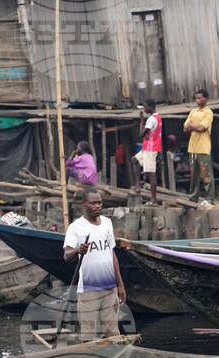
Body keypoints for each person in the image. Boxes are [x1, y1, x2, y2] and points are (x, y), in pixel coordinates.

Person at [63, 189, 126, 342]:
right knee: (88, 335)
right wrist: (78, 249)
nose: (97, 206)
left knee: (112, 333)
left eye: (99, 202)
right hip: (88, 289)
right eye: (93, 203)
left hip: (109, 287)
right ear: (84, 204)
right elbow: (67, 256)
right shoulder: (75, 227)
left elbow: (112, 254)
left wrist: (120, 285)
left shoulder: (107, 223)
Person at [184, 89, 215, 204]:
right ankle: (193, 198)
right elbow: (185, 128)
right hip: (192, 148)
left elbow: (202, 128)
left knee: (207, 175)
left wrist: (191, 124)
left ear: (206, 99)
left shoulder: (208, 112)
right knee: (193, 175)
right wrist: (194, 126)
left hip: (203, 148)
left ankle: (209, 199)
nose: (197, 100)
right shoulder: (193, 112)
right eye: (196, 98)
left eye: (200, 98)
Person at [132, 98, 162, 205]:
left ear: (151, 107)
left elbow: (141, 133)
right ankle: (138, 185)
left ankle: (153, 200)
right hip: (147, 148)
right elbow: (146, 133)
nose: (144, 109)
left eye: (145, 107)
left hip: (150, 148)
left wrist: (141, 119)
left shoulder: (151, 119)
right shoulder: (158, 117)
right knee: (134, 160)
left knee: (151, 173)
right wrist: (145, 133)